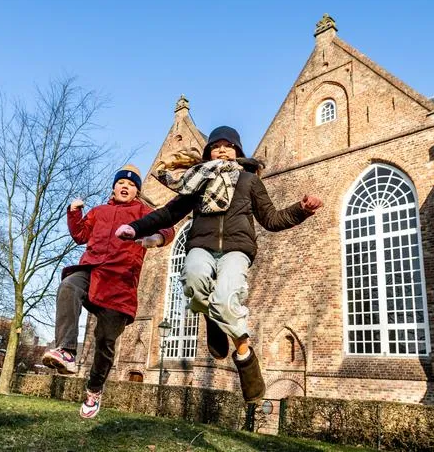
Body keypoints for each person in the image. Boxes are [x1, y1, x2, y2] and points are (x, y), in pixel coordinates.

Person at [114, 126, 322, 403]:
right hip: (201, 244)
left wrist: (302, 209)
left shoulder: (249, 181)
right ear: (208, 153)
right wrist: (135, 228)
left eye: (228, 146)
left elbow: (271, 219)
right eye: (216, 146)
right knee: (193, 279)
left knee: (226, 300)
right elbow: (168, 213)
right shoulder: (196, 182)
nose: (222, 150)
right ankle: (211, 317)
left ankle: (245, 355)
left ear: (237, 152)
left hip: (237, 249)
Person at [42, 164, 174, 419]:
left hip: (119, 283)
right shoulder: (99, 211)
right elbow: (80, 235)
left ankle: (94, 390)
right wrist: (73, 212)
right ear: (114, 187)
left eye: (132, 184)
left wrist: (155, 239)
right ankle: (67, 350)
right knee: (68, 286)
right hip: (92, 270)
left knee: (105, 340)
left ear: (137, 191)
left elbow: (168, 228)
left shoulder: (143, 212)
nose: (125, 187)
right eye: (121, 183)